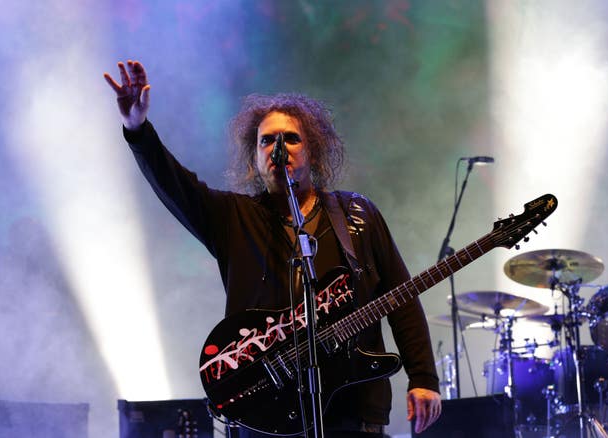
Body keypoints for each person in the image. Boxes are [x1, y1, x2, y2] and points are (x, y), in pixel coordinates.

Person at [104, 60, 441, 437]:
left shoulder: (357, 214)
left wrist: (423, 376)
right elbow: (175, 186)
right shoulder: (233, 217)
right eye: (267, 140)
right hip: (264, 414)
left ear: (313, 151)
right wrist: (138, 129)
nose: (279, 148)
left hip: (352, 411)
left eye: (291, 138)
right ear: (255, 157)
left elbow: (402, 298)